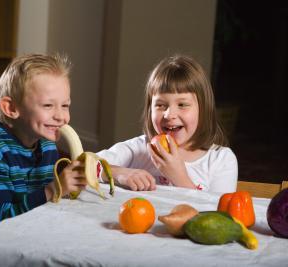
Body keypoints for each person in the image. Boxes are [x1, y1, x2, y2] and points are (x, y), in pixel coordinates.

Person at [0, 54, 87, 249]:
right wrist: (53, 189)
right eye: (48, 105)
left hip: (26, 239)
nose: (61, 116)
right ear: (11, 108)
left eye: (65, 105)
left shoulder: (46, 143)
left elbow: (46, 208)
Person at [97, 54, 237, 193]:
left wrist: (179, 177)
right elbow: (82, 166)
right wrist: (119, 173)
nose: (169, 115)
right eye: (160, 105)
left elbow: (218, 214)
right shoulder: (138, 149)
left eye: (182, 104)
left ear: (203, 109)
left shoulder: (221, 160)